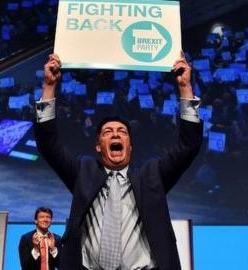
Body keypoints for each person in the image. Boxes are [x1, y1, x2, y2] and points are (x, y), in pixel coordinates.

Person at [34, 54, 203, 270]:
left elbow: (188, 146)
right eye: (108, 132)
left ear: (130, 146)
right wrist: (49, 87)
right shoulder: (83, 171)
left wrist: (185, 88)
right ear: (98, 145)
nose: (115, 134)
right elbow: (48, 145)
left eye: (122, 132)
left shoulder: (152, 175)